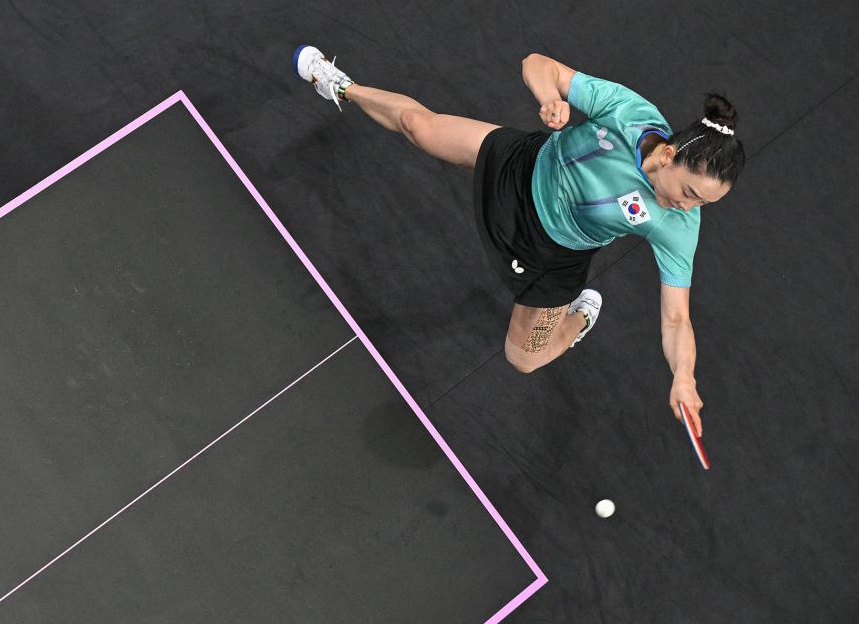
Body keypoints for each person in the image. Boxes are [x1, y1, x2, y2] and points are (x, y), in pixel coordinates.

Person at [295, 47, 745, 434]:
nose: (690, 209)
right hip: (524, 166)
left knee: (524, 359)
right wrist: (551, 97)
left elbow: (676, 320)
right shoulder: (632, 114)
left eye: (704, 205)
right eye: (690, 193)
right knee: (418, 125)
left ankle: (578, 320)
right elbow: (537, 63)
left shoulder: (677, 226)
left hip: (551, 254)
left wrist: (684, 375)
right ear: (668, 154)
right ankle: (339, 85)